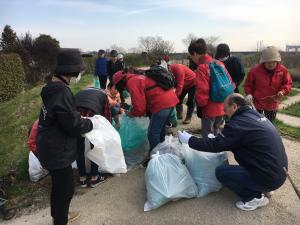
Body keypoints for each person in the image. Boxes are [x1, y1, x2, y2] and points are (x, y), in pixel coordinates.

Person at [178, 93, 288, 211]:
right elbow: (226, 141)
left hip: (269, 176)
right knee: (244, 156)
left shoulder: (238, 124)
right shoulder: (254, 115)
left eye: (226, 109)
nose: (225, 113)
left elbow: (216, 145)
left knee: (222, 172)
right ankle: (262, 186)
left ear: (234, 106)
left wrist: (190, 140)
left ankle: (253, 198)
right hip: (279, 173)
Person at [37, 49, 98, 225]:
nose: (78, 75)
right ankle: (60, 220)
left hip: (47, 144)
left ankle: (60, 215)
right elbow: (73, 125)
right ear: (70, 72)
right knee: (65, 190)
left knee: (59, 188)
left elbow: (64, 116)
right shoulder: (62, 92)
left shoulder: (50, 88)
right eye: (78, 72)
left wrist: (77, 118)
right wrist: (90, 123)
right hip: (57, 150)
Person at [112, 69, 179, 166]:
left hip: (161, 104)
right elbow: (144, 99)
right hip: (170, 100)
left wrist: (131, 113)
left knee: (152, 133)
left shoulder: (132, 82)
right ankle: (162, 153)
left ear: (121, 82)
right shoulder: (137, 77)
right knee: (160, 130)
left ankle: (156, 159)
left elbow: (139, 108)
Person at [188, 38, 232, 137]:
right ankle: (218, 151)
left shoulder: (202, 68)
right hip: (222, 105)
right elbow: (229, 81)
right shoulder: (219, 64)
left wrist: (200, 106)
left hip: (209, 109)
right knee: (217, 132)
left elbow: (202, 91)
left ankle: (209, 153)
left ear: (194, 53)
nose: (192, 59)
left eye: (191, 56)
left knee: (208, 136)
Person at [74, 88, 112, 188]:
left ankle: (82, 178)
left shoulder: (79, 93)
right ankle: (94, 177)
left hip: (76, 119)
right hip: (91, 119)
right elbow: (107, 117)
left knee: (79, 149)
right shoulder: (103, 96)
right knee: (95, 146)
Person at [244, 46, 292, 123]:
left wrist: (282, 91)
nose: (271, 64)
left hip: (272, 103)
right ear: (263, 62)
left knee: (270, 124)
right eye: (268, 62)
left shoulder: (283, 70)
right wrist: (249, 94)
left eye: (273, 62)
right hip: (257, 102)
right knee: (256, 123)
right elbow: (248, 85)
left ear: (277, 61)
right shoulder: (254, 71)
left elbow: (288, 83)